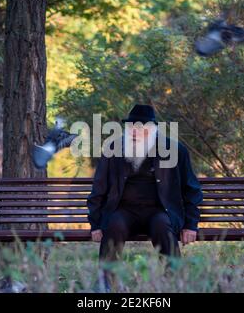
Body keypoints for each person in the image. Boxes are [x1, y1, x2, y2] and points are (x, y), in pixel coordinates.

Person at [86, 104, 203, 291]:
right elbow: (98, 188)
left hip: (159, 211)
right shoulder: (113, 149)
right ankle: (105, 284)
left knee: (163, 226)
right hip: (123, 211)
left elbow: (192, 189)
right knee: (114, 225)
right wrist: (96, 224)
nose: (135, 132)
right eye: (132, 127)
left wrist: (190, 225)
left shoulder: (175, 150)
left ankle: (173, 283)